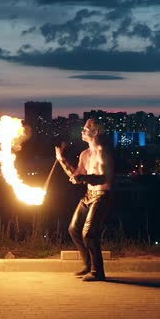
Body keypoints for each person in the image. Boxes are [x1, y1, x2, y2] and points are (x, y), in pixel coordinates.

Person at [55, 118, 114, 281]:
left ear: (95, 132)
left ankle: (98, 272)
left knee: (88, 233)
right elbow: (77, 175)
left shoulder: (102, 152)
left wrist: (83, 178)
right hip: (88, 196)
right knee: (74, 229)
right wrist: (62, 161)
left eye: (86, 128)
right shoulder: (84, 154)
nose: (83, 131)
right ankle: (88, 265)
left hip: (102, 195)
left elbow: (105, 178)